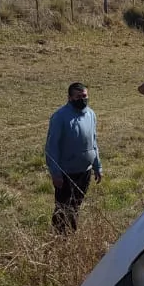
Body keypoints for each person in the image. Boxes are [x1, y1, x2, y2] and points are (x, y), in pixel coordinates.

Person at [45, 82, 103, 233]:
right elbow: (52, 147)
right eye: (78, 96)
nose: (82, 99)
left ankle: (71, 233)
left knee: (76, 204)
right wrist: (56, 173)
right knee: (63, 207)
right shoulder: (60, 117)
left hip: (85, 171)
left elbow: (93, 141)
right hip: (66, 173)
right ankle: (59, 236)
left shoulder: (91, 114)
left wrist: (97, 166)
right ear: (69, 98)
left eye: (84, 96)